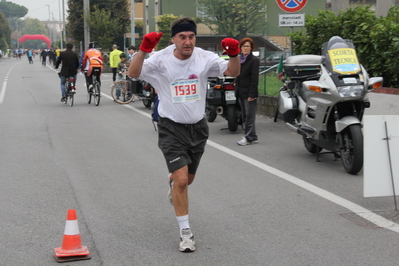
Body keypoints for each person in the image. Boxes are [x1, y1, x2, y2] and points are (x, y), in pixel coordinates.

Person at [128, 16, 240, 252]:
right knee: (181, 180)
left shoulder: (203, 57)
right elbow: (133, 73)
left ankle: (174, 185)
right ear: (174, 39)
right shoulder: (160, 59)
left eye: (191, 37)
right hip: (171, 127)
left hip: (198, 128)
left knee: (187, 180)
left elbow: (232, 72)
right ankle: (185, 232)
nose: (187, 42)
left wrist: (234, 54)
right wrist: (143, 50)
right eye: (182, 37)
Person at [235, 37, 260, 145]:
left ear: (251, 48)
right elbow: (237, 73)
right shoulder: (239, 59)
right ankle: (253, 136)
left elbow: (254, 79)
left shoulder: (254, 61)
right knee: (245, 116)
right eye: (244, 46)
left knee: (249, 116)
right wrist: (236, 82)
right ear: (240, 48)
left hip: (249, 92)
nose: (246, 48)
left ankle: (248, 137)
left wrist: (252, 94)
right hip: (240, 91)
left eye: (248, 46)